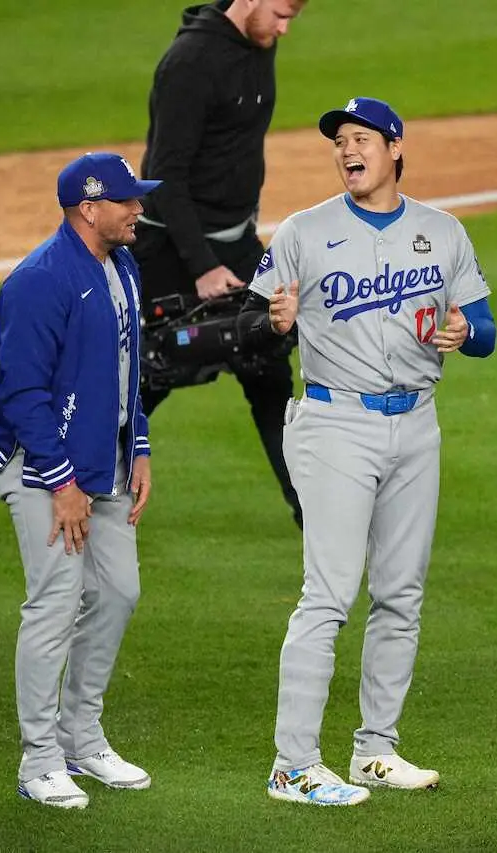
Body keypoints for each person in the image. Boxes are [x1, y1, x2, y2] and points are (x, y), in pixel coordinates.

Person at [239, 96, 497, 806]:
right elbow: (248, 322)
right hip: (335, 425)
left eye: (360, 139)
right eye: (339, 142)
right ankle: (292, 765)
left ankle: (374, 750)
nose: (347, 151)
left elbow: (485, 327)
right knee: (327, 594)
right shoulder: (304, 231)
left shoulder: (442, 232)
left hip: (417, 424)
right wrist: (272, 320)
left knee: (402, 594)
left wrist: (463, 333)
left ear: (395, 149)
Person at [0, 153, 156, 810]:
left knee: (117, 592)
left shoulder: (122, 267)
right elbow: (21, 392)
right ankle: (39, 758)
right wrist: (61, 481)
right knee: (55, 600)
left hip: (98, 463)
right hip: (39, 464)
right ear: (89, 207)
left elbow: (126, 365)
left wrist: (136, 443)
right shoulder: (39, 281)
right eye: (127, 199)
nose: (138, 208)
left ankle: (81, 736)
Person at [134, 0, 308, 527]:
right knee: (148, 379)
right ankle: (73, 483)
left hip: (236, 247)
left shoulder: (260, 44)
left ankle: (313, 515)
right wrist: (203, 264)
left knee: (269, 374)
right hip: (174, 251)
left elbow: (233, 150)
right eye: (280, 13)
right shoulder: (189, 62)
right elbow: (164, 176)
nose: (284, 28)